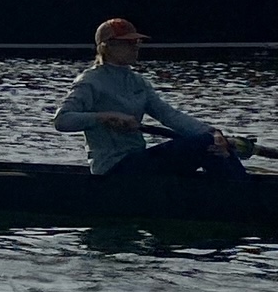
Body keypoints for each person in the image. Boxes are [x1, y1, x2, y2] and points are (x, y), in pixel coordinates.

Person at [54, 17, 247, 180]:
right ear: (107, 47)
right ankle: (243, 200)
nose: (136, 47)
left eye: (137, 42)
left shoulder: (138, 82)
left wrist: (213, 132)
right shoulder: (90, 81)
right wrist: (103, 117)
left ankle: (239, 192)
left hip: (138, 159)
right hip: (113, 169)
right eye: (129, 43)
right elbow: (62, 120)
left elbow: (170, 115)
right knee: (205, 144)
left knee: (218, 144)